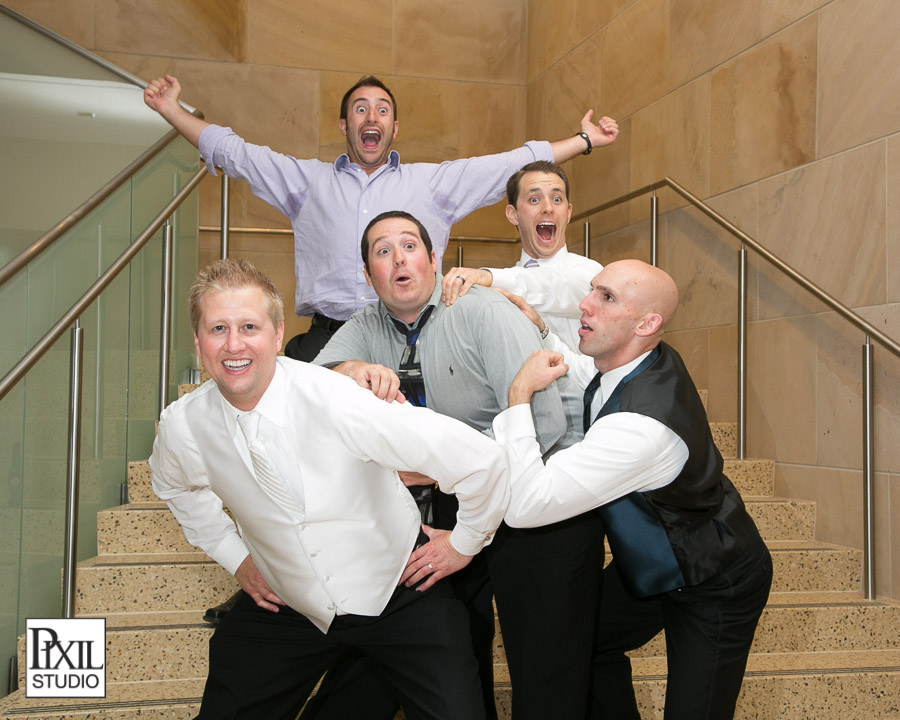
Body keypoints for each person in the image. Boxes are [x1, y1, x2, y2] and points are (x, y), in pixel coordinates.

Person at [149, 258, 510, 720]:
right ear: (199, 342)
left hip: (398, 588)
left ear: (278, 335)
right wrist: (234, 556)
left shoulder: (339, 400)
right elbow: (177, 489)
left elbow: (482, 461)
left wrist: (464, 544)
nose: (234, 344)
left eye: (249, 327)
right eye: (218, 328)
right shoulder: (183, 425)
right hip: (289, 602)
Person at [308, 211, 603, 720]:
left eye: (409, 246)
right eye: (383, 252)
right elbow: (310, 385)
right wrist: (349, 368)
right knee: (460, 650)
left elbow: (546, 423)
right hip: (455, 505)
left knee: (547, 668)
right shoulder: (366, 324)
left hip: (539, 498)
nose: (399, 260)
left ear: (433, 259)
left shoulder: (484, 311)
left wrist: (441, 467)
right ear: (369, 276)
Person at [142, 75, 618, 362]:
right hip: (329, 338)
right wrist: (170, 109)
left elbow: (511, 164)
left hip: (416, 339)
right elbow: (235, 152)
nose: (372, 116)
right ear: (345, 125)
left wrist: (584, 141)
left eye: (383, 109)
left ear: (394, 127)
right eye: (360, 109)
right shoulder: (306, 181)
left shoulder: (432, 183)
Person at [492, 259, 773, 720]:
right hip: (656, 565)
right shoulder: (638, 359)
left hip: (717, 579)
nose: (584, 304)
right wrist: (542, 331)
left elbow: (527, 505)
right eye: (592, 290)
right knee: (583, 643)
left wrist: (518, 398)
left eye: (607, 298)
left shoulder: (641, 427)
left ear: (647, 324)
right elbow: (593, 379)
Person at [441, 159, 602, 427]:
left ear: (568, 212)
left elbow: (548, 287)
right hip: (515, 421)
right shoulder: (495, 290)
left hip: (582, 422)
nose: (548, 208)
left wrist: (489, 277)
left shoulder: (591, 274)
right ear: (513, 214)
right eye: (534, 199)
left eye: (557, 199)